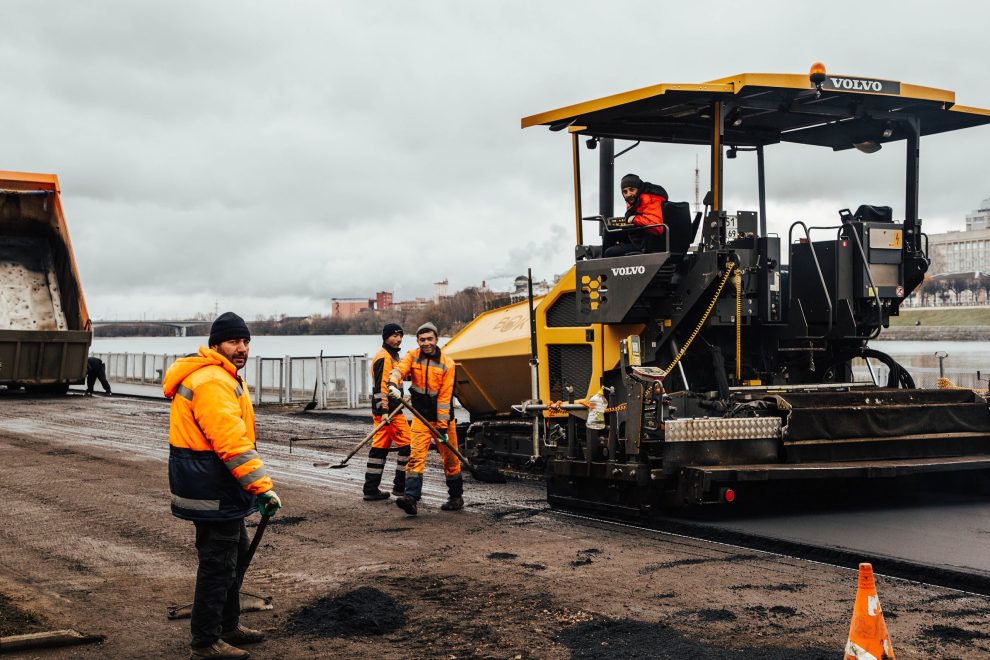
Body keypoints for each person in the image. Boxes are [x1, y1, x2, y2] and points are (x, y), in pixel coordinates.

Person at [163, 312, 282, 660]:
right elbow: (231, 443)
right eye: (233, 341)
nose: (242, 348)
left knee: (234, 557)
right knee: (218, 564)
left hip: (215, 485)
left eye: (245, 341)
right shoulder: (213, 381)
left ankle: (228, 626)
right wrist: (262, 487)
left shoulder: (222, 377)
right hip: (212, 486)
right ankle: (205, 643)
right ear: (215, 345)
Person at [386, 321, 462, 515]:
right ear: (418, 341)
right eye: (422, 339)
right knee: (416, 456)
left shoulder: (448, 364)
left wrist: (443, 427)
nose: (426, 343)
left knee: (450, 459)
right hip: (420, 417)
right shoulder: (413, 356)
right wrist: (393, 384)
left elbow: (445, 398)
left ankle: (456, 497)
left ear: (437, 340)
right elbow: (399, 370)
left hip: (442, 419)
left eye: (430, 339)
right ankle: (411, 498)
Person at [362, 323, 413, 501]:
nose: (398, 339)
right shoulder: (384, 357)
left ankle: (370, 489)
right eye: (394, 336)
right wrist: (384, 410)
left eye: (400, 336)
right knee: (408, 446)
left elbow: (401, 377)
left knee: (379, 449)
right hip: (390, 412)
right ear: (385, 337)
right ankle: (401, 487)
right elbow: (381, 387)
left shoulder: (393, 356)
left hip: (385, 410)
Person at [603, 173, 668, 257]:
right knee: (609, 230)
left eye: (632, 189)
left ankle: (604, 265)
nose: (628, 194)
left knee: (610, 252)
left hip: (648, 242)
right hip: (639, 235)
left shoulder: (649, 199)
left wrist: (634, 219)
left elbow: (657, 227)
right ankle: (599, 263)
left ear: (638, 189)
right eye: (625, 192)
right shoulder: (634, 200)